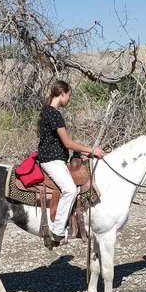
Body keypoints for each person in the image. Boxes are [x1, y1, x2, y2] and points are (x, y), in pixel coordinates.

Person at [37, 80, 105, 246]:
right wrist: (91, 150)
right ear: (62, 94)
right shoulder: (54, 114)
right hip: (52, 161)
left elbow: (60, 142)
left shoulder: (47, 111)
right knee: (70, 189)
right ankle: (57, 231)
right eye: (69, 96)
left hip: (55, 159)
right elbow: (67, 143)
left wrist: (84, 151)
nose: (68, 99)